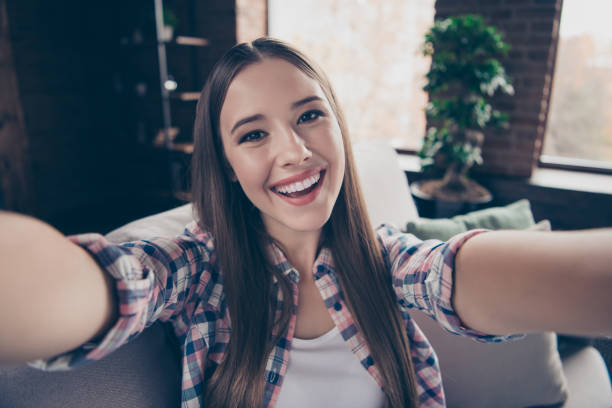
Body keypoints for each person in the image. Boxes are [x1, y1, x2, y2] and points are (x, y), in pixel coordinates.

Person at [0, 37, 611, 408]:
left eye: (310, 115)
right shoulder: (198, 269)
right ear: (228, 167)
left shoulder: (389, 260)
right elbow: (114, 285)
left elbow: (456, 273)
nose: (293, 151)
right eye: (254, 133)